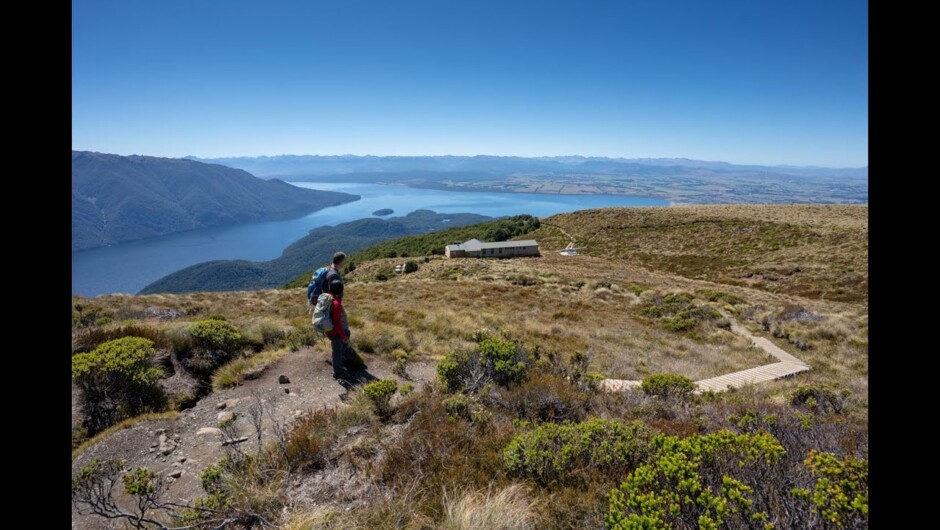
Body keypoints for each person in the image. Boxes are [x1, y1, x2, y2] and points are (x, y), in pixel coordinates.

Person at [325, 279, 352, 382]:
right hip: (334, 331)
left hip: (328, 328)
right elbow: (337, 323)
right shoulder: (335, 303)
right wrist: (343, 337)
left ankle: (339, 361)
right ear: (340, 291)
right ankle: (338, 372)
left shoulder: (327, 298)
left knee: (346, 334)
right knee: (337, 349)